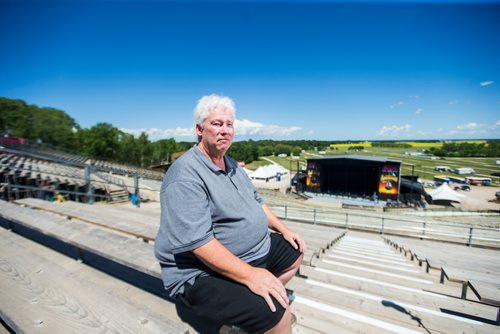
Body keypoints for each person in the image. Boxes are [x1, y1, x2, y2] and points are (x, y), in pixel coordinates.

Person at [155, 94, 306, 333]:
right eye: (216, 123)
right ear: (199, 129)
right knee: (279, 311)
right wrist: (250, 276)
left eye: (229, 124)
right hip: (201, 272)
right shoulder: (184, 176)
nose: (225, 130)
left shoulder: (231, 163)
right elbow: (200, 244)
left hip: (251, 252)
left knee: (296, 250)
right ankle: (269, 316)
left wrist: (284, 230)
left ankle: (255, 313)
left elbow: (257, 202)